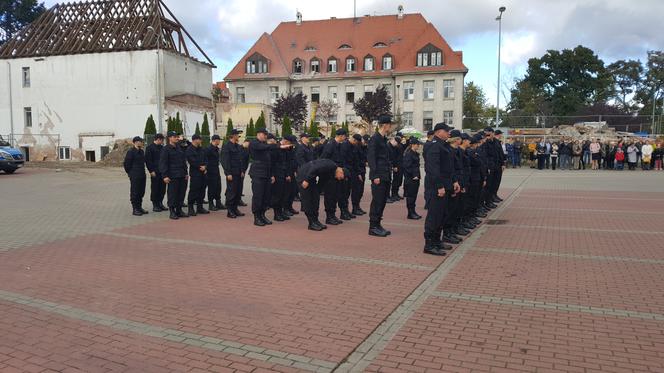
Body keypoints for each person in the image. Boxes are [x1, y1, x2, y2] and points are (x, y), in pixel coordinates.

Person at [423, 122, 456, 256]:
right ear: (438, 132)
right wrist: (439, 186)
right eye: (447, 131)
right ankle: (429, 244)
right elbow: (433, 169)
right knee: (434, 216)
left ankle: (437, 241)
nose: (449, 133)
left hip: (446, 185)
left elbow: (449, 167)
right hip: (437, 187)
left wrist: (454, 181)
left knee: (442, 215)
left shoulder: (444, 146)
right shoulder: (434, 146)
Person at [249, 128, 291, 226]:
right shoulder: (254, 143)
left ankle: (262, 215)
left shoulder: (265, 145)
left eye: (266, 134)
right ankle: (257, 217)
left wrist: (271, 174)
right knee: (258, 196)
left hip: (266, 173)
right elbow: (265, 147)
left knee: (266, 196)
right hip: (258, 173)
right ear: (258, 134)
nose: (265, 136)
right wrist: (279, 145)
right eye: (264, 134)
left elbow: (270, 160)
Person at [297, 159, 347, 231]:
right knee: (308, 199)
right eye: (340, 177)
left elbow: (322, 181)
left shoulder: (332, 172)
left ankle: (315, 221)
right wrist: (306, 180)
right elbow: (315, 168)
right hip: (305, 175)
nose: (339, 179)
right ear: (341, 172)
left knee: (315, 199)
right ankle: (311, 223)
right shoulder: (331, 165)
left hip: (311, 177)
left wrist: (317, 191)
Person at [367, 115, 394, 237]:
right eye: (389, 124)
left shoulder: (383, 139)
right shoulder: (375, 139)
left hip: (386, 175)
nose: (391, 127)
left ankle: (378, 224)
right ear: (384, 125)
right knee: (377, 201)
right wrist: (375, 175)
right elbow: (371, 158)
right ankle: (373, 227)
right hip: (379, 175)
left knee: (382, 201)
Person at [321, 128, 351, 223]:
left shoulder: (339, 145)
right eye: (344, 136)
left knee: (336, 195)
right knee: (330, 196)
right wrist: (335, 169)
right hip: (330, 175)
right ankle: (329, 217)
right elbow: (324, 160)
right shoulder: (330, 145)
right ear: (340, 136)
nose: (345, 138)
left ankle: (332, 215)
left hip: (337, 175)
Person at [159, 131, 188, 219]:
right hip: (172, 175)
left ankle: (179, 210)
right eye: (174, 137)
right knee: (172, 194)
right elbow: (163, 163)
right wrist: (165, 176)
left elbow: (183, 161)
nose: (177, 138)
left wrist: (186, 173)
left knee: (181, 193)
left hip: (182, 175)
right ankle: (172, 211)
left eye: (177, 137)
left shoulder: (179, 148)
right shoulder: (166, 149)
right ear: (170, 138)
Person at [221, 129, 245, 218]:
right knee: (232, 192)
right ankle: (230, 210)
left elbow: (240, 160)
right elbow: (225, 161)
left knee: (238, 192)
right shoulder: (227, 146)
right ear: (233, 136)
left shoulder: (237, 146)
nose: (238, 136)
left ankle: (235, 209)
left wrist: (242, 170)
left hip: (238, 172)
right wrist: (228, 173)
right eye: (237, 135)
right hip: (232, 173)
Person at [124, 136, 148, 216]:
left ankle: (139, 207)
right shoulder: (130, 152)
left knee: (141, 192)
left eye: (141, 141)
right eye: (138, 141)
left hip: (142, 174)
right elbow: (126, 164)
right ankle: (135, 209)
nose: (140, 142)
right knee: (135, 192)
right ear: (134, 142)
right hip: (135, 175)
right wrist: (130, 173)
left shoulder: (141, 151)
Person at [185, 134, 209, 216]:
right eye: (199, 139)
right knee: (194, 190)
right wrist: (200, 167)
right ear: (195, 140)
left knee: (202, 190)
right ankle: (190, 208)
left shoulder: (201, 149)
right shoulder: (189, 150)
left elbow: (206, 159)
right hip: (195, 173)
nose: (201, 141)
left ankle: (200, 207)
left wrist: (205, 166)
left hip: (203, 172)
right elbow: (192, 161)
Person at [144, 134, 166, 212]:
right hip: (155, 172)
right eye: (162, 140)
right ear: (158, 139)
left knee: (162, 188)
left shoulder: (162, 148)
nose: (163, 142)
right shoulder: (150, 148)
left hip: (162, 171)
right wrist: (151, 170)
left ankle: (160, 203)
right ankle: (155, 205)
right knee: (155, 188)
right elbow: (148, 160)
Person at [402, 136, 422, 220]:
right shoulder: (408, 154)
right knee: (411, 196)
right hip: (411, 179)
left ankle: (413, 211)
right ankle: (410, 213)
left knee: (414, 196)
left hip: (415, 178)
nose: (419, 146)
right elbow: (407, 167)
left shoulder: (415, 153)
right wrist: (414, 175)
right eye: (417, 144)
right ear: (413, 145)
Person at [205, 134, 224, 212]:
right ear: (214, 140)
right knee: (212, 187)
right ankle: (211, 204)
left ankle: (218, 202)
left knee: (218, 186)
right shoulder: (208, 149)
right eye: (218, 140)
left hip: (216, 169)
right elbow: (205, 159)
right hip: (210, 171)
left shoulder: (216, 149)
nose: (219, 141)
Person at [350, 134, 367, 216]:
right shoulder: (355, 148)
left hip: (362, 171)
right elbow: (355, 162)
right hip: (357, 172)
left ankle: (357, 206)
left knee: (360, 191)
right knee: (356, 191)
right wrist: (358, 173)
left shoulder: (362, 148)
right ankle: (355, 208)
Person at [388, 135, 404, 202]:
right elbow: (393, 157)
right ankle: (393, 194)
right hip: (395, 165)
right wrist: (394, 166)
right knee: (395, 181)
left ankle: (395, 194)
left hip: (399, 164)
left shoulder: (396, 146)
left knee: (398, 180)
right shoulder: (389, 146)